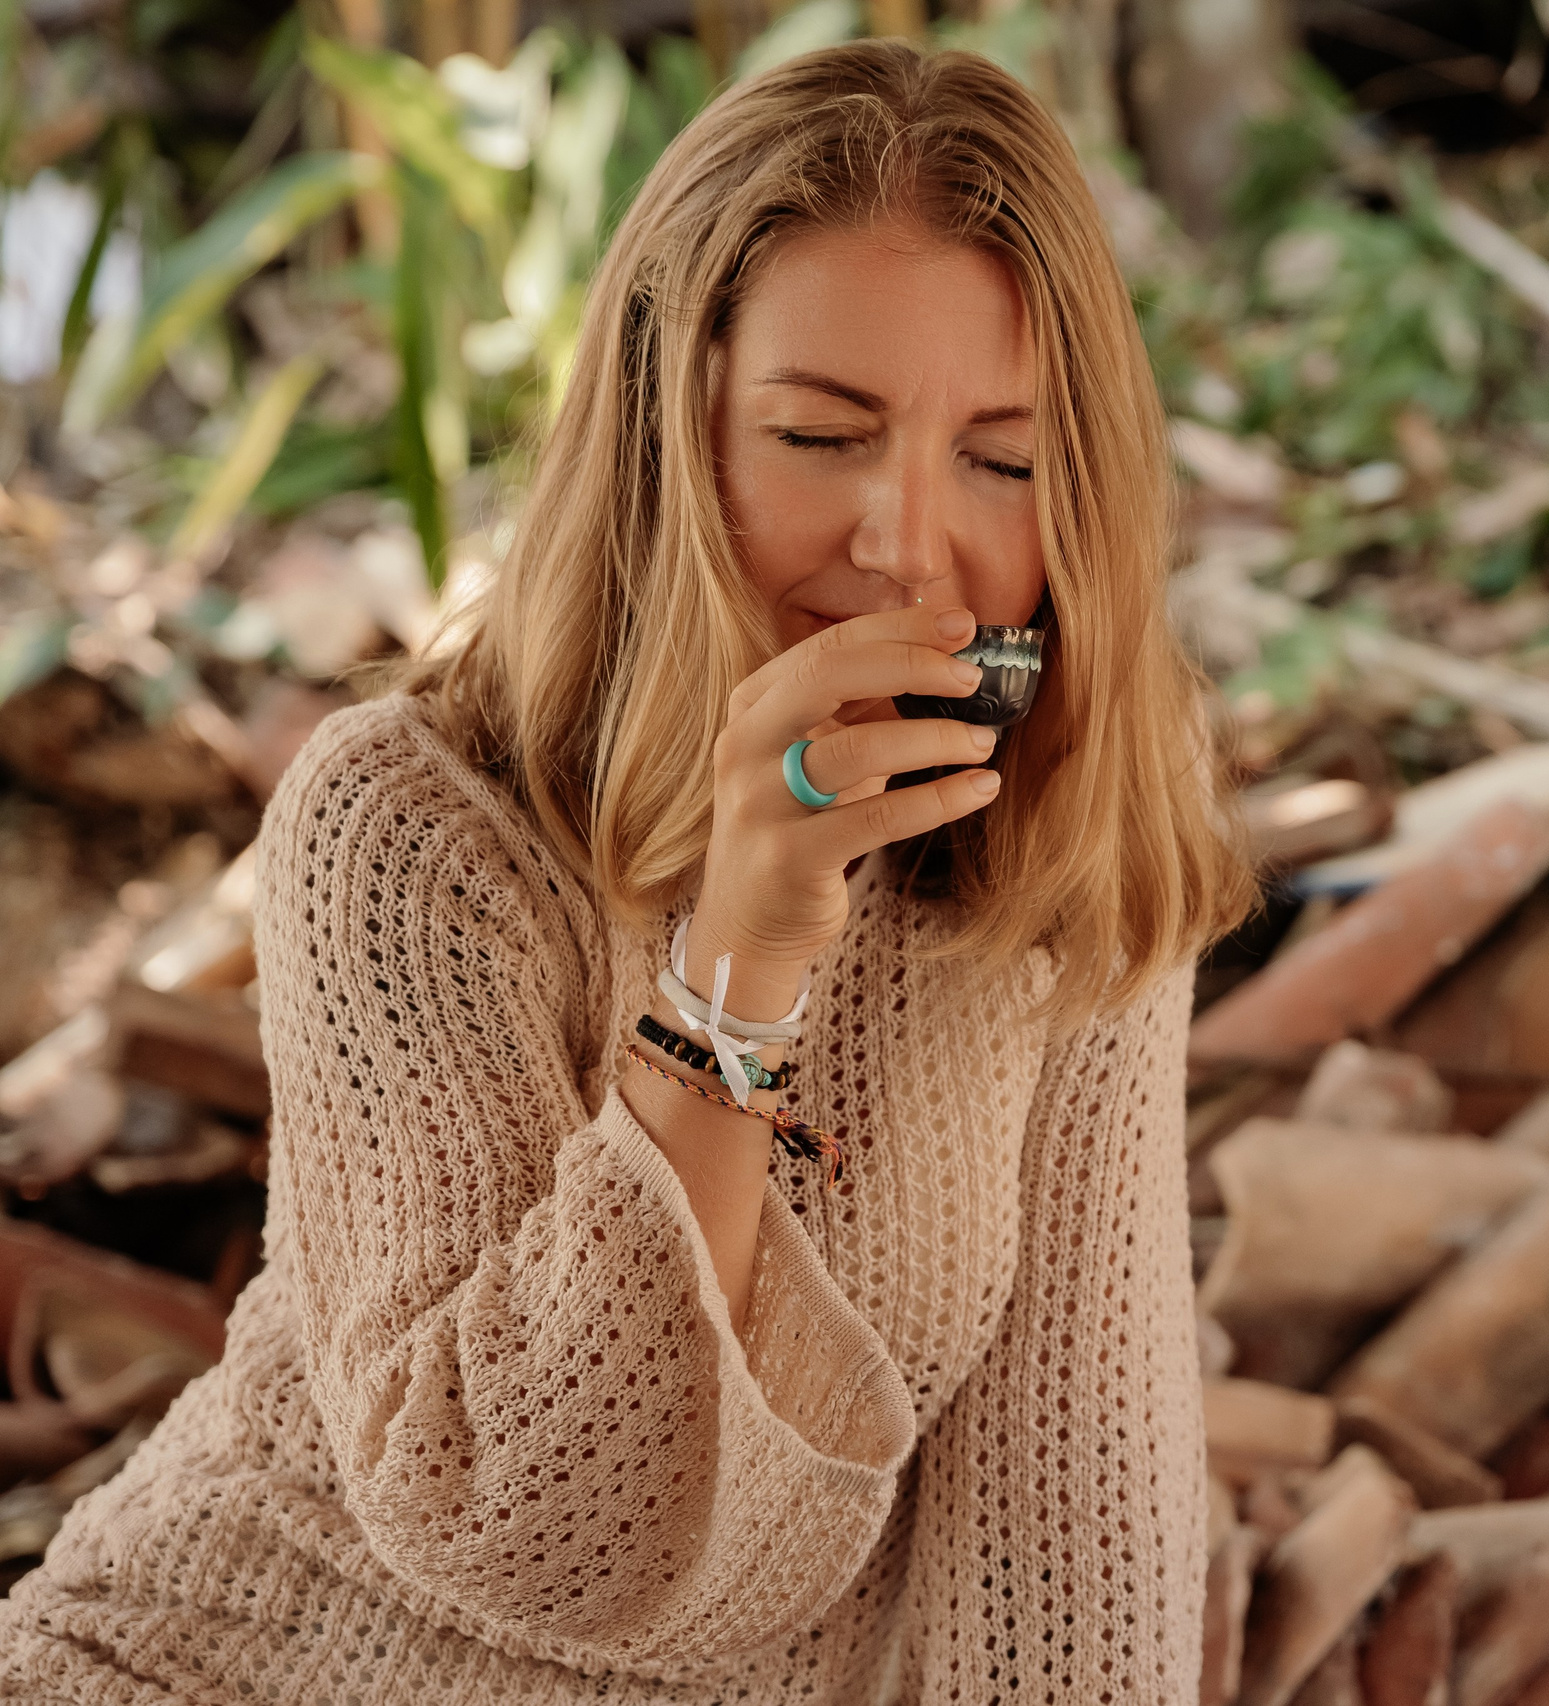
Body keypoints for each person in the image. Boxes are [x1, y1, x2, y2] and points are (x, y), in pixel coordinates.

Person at [0, 39, 1254, 1704]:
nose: (908, 541)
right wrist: (740, 961)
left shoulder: (1061, 838)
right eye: (823, 434)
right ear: (677, 436)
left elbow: (1072, 1542)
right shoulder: (407, 826)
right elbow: (518, 1519)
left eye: (1004, 462)